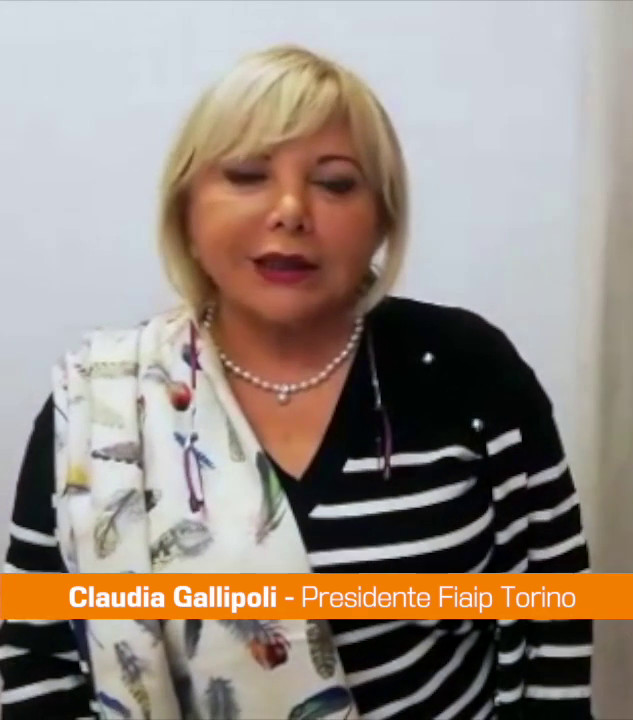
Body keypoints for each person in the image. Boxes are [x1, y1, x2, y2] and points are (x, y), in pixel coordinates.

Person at [0, 45, 592, 720]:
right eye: (247, 175)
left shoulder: (466, 369)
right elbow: (38, 664)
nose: (290, 210)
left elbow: (555, 621)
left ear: (383, 218)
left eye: (335, 183)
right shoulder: (101, 407)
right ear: (186, 210)